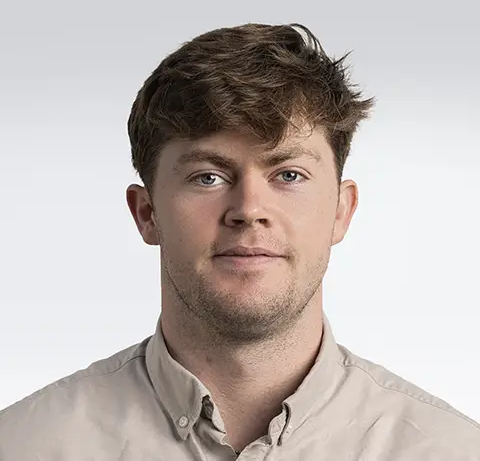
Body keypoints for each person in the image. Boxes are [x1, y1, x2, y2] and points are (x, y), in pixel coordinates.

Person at [0, 23, 478, 460]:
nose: (248, 209)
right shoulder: (23, 446)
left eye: (288, 174)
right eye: (208, 177)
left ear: (341, 210)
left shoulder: (450, 451)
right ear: (147, 214)